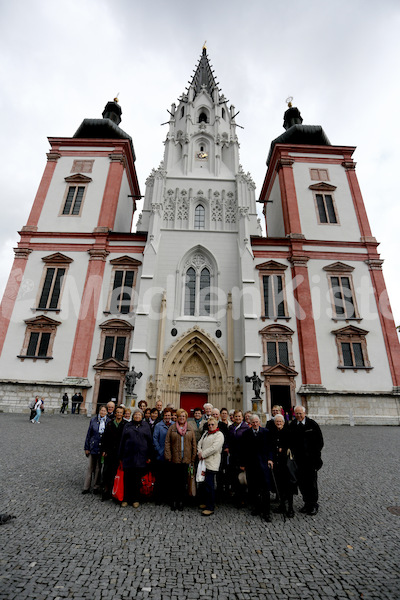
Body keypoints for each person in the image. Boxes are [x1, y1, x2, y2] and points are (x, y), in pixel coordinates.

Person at [288, 405, 324, 516]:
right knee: (302, 483)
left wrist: (314, 455)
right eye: (296, 414)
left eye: (300, 413)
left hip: (311, 460)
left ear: (305, 413)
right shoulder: (293, 425)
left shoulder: (312, 425)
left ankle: (313, 504)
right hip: (298, 460)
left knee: (311, 483)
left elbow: (320, 442)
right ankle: (306, 503)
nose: (298, 416)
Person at [240, 414, 273, 522]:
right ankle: (257, 507)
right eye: (253, 422)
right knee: (253, 488)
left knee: (265, 489)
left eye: (256, 422)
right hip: (251, 465)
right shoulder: (246, 434)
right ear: (250, 423)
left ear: (259, 422)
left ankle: (266, 511)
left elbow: (270, 447)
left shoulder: (266, 432)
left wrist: (270, 459)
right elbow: (243, 449)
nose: (255, 424)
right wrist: (243, 464)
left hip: (263, 464)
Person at [118, 408, 153, 508]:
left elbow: (150, 442)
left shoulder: (146, 426)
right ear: (133, 416)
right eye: (136, 415)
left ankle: (136, 499)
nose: (137, 416)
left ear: (142, 416)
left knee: (137, 479)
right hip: (128, 456)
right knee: (127, 479)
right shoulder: (127, 426)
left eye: (139, 415)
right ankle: (126, 499)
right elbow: (122, 441)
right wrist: (120, 456)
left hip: (141, 457)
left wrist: (150, 456)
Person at [164, 408, 196, 511]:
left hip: (186, 459)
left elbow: (193, 444)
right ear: (177, 417)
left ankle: (181, 501)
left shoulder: (190, 428)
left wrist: (193, 457)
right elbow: (167, 442)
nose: (181, 418)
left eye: (183, 416)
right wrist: (168, 456)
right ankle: (174, 501)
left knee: (183, 482)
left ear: (186, 418)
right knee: (174, 482)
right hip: (174, 459)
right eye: (180, 416)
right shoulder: (172, 428)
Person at [197, 417, 224, 516]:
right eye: (209, 425)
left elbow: (214, 448)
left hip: (211, 462)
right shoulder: (206, 433)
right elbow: (199, 443)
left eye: (213, 424)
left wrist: (203, 454)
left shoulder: (219, 435)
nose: (211, 426)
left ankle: (210, 507)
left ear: (216, 425)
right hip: (203, 462)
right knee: (204, 485)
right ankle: (205, 502)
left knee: (210, 485)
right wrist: (199, 451)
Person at [271, 414, 295, 518]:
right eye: (277, 422)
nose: (279, 423)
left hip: (286, 464)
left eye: (280, 422)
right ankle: (282, 505)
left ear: (284, 423)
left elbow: (292, 446)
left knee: (288, 487)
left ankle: (290, 508)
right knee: (280, 486)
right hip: (277, 463)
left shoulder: (288, 432)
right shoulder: (273, 432)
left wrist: (283, 449)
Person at [82, 405, 109, 494]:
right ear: (99, 411)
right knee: (90, 467)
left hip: (101, 448)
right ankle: (86, 487)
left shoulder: (109, 421)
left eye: (104, 411)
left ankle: (96, 487)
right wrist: (86, 447)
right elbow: (88, 434)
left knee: (98, 468)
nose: (102, 412)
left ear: (107, 412)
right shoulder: (93, 420)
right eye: (101, 410)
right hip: (93, 447)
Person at [101, 406, 126, 501]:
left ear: (123, 414)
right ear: (115, 413)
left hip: (119, 452)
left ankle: (114, 492)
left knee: (116, 473)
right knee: (107, 472)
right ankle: (106, 492)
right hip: (109, 452)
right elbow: (105, 438)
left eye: (121, 412)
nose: (119, 414)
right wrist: (104, 450)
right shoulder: (110, 423)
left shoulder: (125, 424)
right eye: (117, 412)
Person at [227, 410, 250, 506]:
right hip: (233, 456)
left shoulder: (246, 428)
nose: (237, 418)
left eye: (239, 416)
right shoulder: (231, 427)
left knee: (242, 479)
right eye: (236, 416)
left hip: (242, 456)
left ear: (242, 417)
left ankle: (243, 499)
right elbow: (227, 439)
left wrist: (244, 462)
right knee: (234, 478)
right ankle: (236, 498)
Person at [153, 408, 173, 503]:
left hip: (171, 456)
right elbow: (155, 439)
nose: (167, 417)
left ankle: (168, 497)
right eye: (166, 415)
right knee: (160, 478)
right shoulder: (158, 425)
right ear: (163, 416)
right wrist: (160, 450)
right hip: (161, 455)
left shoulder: (174, 425)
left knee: (169, 478)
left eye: (169, 415)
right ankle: (158, 497)